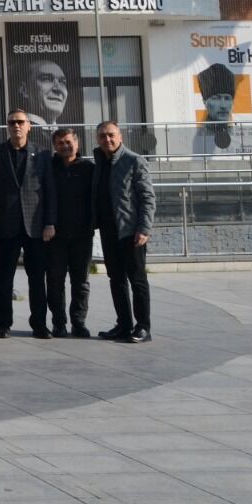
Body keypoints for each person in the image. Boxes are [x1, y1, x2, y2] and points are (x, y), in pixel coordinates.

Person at [0, 110, 52, 338]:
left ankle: (39, 324)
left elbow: (50, 192)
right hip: (4, 225)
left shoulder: (42, 155)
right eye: (12, 122)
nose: (16, 126)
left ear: (29, 125)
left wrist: (50, 222)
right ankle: (2, 323)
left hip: (35, 227)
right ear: (7, 126)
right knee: (2, 279)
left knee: (37, 280)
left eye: (20, 122)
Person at [94, 122, 154, 343]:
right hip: (109, 231)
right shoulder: (100, 162)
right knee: (116, 279)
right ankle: (124, 324)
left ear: (120, 136)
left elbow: (148, 198)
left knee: (137, 280)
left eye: (111, 135)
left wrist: (144, 228)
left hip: (131, 231)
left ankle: (143, 327)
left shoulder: (134, 160)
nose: (107, 140)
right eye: (102, 136)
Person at [44, 127, 96, 338]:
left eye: (68, 142)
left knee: (81, 281)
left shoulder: (89, 169)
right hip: (55, 235)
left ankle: (78, 322)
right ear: (55, 146)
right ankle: (59, 322)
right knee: (55, 281)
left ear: (77, 143)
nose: (65, 146)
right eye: (60, 143)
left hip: (82, 235)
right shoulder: (48, 167)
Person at [193, 63, 238, 154]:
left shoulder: (239, 135)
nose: (223, 105)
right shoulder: (199, 137)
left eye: (227, 98)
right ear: (205, 101)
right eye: (216, 98)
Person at [14, 59, 70, 128]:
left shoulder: (68, 134)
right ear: (24, 90)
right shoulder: (19, 131)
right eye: (47, 79)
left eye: (62, 82)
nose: (58, 89)